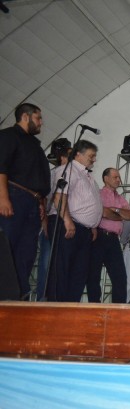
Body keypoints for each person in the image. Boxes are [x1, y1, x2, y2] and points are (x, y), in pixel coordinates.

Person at [0, 103, 51, 299]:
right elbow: (1, 168)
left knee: (27, 253)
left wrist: (41, 205)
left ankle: (19, 296)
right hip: (14, 196)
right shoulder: (8, 136)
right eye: (38, 118)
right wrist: (3, 198)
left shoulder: (35, 145)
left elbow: (39, 179)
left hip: (33, 202)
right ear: (25, 117)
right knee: (8, 248)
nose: (41, 122)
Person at [46, 140, 103, 302]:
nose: (94, 159)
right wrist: (67, 220)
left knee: (79, 273)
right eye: (91, 156)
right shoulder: (67, 170)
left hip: (84, 231)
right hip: (68, 225)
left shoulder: (87, 176)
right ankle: (57, 309)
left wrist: (92, 225)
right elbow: (59, 197)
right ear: (78, 154)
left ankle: (71, 308)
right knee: (62, 270)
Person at [87, 168, 130, 303]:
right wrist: (119, 215)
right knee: (93, 275)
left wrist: (115, 210)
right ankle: (94, 307)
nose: (119, 180)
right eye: (115, 177)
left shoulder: (120, 198)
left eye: (119, 177)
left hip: (114, 240)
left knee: (120, 277)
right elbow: (104, 212)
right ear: (106, 179)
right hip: (98, 236)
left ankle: (118, 309)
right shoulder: (98, 194)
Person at [37, 147, 71, 301]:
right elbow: (44, 197)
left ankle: (58, 301)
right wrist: (44, 220)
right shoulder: (54, 173)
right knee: (46, 263)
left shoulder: (74, 175)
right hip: (52, 220)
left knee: (62, 264)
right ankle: (42, 300)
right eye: (70, 155)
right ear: (62, 158)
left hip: (67, 222)